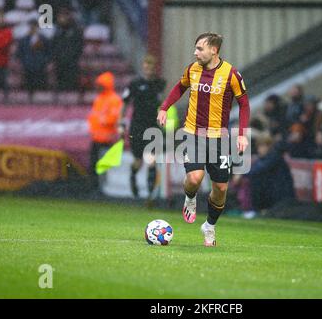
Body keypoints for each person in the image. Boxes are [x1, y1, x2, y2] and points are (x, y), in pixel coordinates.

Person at [157, 33, 250, 247]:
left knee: (221, 189)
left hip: (220, 139)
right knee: (194, 179)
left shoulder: (231, 74)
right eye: (196, 48)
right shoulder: (192, 69)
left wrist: (243, 134)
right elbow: (180, 87)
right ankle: (190, 198)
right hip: (193, 133)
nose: (195, 52)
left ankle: (209, 226)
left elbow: (244, 104)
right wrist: (164, 108)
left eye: (200, 48)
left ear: (214, 50)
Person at [122, 55, 166, 200]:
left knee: (151, 159)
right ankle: (133, 177)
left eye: (151, 67)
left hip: (152, 126)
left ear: (154, 69)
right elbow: (125, 103)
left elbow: (163, 103)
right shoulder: (134, 84)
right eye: (146, 67)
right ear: (143, 67)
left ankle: (150, 193)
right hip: (137, 126)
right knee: (138, 161)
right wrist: (121, 123)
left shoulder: (160, 84)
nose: (148, 70)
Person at [87, 72, 124, 190]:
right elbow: (93, 117)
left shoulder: (115, 100)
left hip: (107, 139)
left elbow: (113, 118)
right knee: (93, 165)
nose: (97, 87)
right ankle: (94, 187)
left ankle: (103, 188)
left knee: (104, 166)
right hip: (96, 138)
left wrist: (100, 120)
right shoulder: (99, 99)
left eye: (100, 84)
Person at [52, 7, 83, 91]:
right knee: (60, 83)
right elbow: (54, 45)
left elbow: (79, 46)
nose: (61, 19)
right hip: (59, 62)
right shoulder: (57, 30)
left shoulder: (75, 30)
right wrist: (56, 56)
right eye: (60, 16)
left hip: (71, 62)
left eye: (63, 16)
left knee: (71, 83)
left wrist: (72, 57)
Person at [16, 18, 51, 92]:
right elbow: (19, 53)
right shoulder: (23, 40)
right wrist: (24, 62)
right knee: (28, 88)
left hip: (41, 68)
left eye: (35, 26)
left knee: (41, 90)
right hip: (28, 68)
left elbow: (49, 52)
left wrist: (44, 61)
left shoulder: (44, 39)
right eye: (31, 26)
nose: (33, 28)